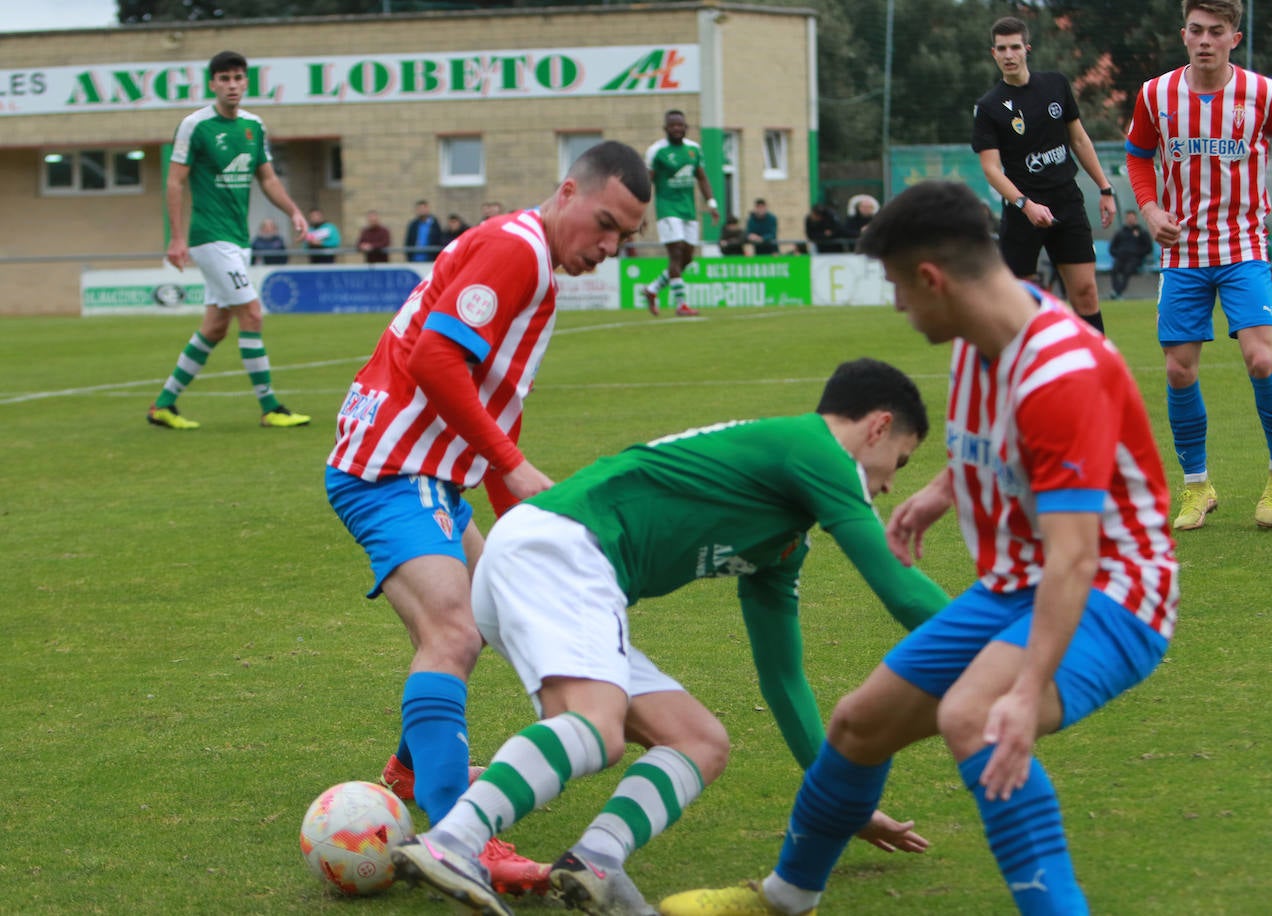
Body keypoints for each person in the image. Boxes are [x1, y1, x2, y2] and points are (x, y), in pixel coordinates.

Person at [658, 179, 1178, 916]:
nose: (900, 307)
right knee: (857, 724)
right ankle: (784, 898)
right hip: (1017, 586)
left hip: (1114, 595)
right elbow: (992, 452)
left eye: (901, 288)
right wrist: (938, 493)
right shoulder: (976, 341)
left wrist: (1026, 692)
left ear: (932, 279)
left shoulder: (1062, 372)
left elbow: (1076, 556)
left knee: (979, 714)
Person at [391, 358, 950, 916]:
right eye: (897, 462)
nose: (888, 484)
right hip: (562, 546)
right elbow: (898, 588)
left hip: (548, 561)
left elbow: (782, 678)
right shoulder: (817, 450)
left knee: (699, 741)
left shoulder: (784, 539)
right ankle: (453, 840)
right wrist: (1004, 645)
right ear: (877, 427)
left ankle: (596, 861)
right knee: (597, 726)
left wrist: (838, 801)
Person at [325, 140, 650, 897]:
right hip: (392, 469)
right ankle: (454, 836)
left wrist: (519, 521)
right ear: (567, 192)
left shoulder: (528, 259)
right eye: (603, 224)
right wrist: (509, 464)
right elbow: (437, 358)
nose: (607, 247)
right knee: (454, 633)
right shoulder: (519, 251)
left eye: (624, 238)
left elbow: (482, 398)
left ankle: (410, 770)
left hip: (424, 472)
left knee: (485, 608)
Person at [1125, 0, 1272, 531]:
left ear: (1234, 37)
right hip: (1183, 253)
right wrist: (1150, 209)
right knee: (1178, 368)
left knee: (1260, 358)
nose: (1204, 39)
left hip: (1243, 247)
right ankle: (1196, 486)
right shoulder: (1155, 94)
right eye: (1196, 30)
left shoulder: (1263, 93)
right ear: (1183, 34)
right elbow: (1138, 156)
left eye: (1216, 31)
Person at [147, 50, 311, 431]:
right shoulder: (195, 126)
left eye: (238, 78)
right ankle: (271, 407)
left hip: (239, 238)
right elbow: (175, 181)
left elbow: (267, 178)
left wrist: (294, 211)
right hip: (210, 237)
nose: (232, 85)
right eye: (224, 79)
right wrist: (177, 238)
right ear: (212, 84)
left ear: (246, 82)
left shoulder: (254, 126)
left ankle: (164, 405)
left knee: (216, 327)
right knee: (252, 314)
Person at [972, 16, 1117, 333]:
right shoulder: (988, 107)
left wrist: (1105, 188)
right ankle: (1021, 373)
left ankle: (1092, 372)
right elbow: (991, 169)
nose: (1009, 55)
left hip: (1067, 202)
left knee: (1085, 293)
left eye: (1014, 47)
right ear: (993, 54)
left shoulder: (1055, 85)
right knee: (1016, 301)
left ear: (1027, 49)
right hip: (1024, 211)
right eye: (1001, 49)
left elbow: (1079, 139)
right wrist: (1026, 204)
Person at [642, 109, 720, 317]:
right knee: (675, 253)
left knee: (687, 258)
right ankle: (681, 305)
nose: (677, 129)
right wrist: (641, 211)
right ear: (665, 128)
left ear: (686, 128)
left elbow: (702, 178)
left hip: (688, 210)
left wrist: (711, 203)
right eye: (673, 125)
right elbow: (646, 183)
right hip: (667, 209)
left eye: (681, 125)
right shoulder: (656, 151)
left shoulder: (694, 150)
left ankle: (652, 290)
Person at [1108, 210, 1153, 299]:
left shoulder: (1142, 233)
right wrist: (1118, 254)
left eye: (1132, 218)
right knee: (1114, 270)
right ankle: (1116, 291)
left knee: (1127, 270)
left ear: (1136, 219)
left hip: (1135, 259)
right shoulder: (1120, 233)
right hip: (1121, 257)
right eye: (1128, 218)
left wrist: (1138, 254)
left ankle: (1117, 292)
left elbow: (1148, 248)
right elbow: (1112, 248)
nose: (1130, 220)